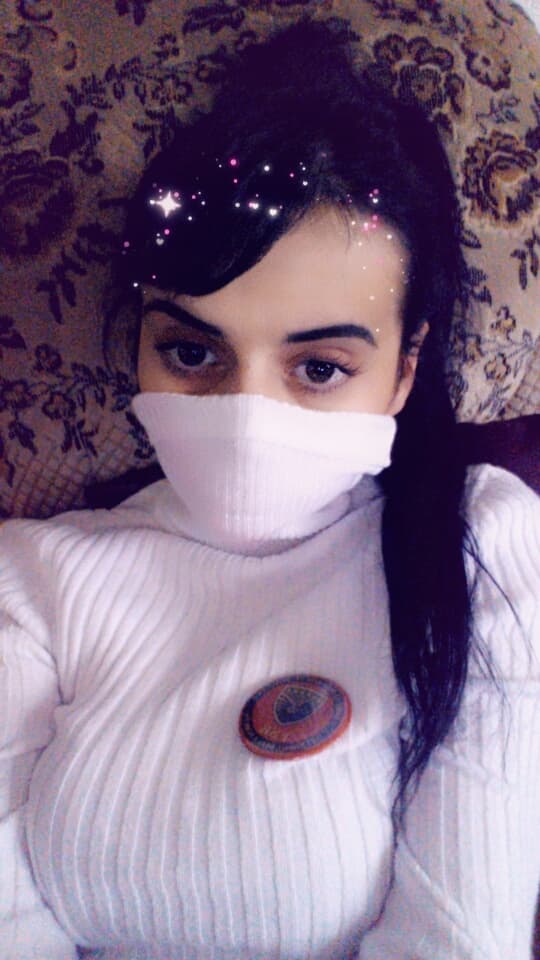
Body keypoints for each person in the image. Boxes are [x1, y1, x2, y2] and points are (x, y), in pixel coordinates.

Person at [1, 20, 538, 960]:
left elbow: (460, 939)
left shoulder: (481, 543)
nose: (246, 415)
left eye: (320, 368)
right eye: (192, 352)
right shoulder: (31, 577)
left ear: (404, 371)